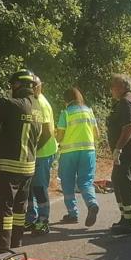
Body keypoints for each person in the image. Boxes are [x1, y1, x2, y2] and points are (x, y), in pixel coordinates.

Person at [0, 70, 49, 251]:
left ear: (17, 85)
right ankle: (16, 241)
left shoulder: (17, 105)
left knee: (3, 207)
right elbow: (46, 135)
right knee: (19, 208)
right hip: (28, 167)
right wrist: (30, 151)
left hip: (10, 167)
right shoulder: (37, 107)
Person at [106, 74, 131, 235]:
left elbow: (129, 126)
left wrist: (119, 148)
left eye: (113, 86)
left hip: (128, 149)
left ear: (121, 87)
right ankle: (125, 216)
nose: (111, 90)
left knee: (124, 179)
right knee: (117, 179)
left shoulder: (125, 102)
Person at [56, 87, 99, 226]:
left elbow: (60, 136)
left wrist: (55, 136)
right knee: (86, 182)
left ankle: (72, 213)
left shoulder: (66, 113)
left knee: (67, 183)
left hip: (69, 153)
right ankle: (92, 203)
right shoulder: (89, 111)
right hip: (88, 152)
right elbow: (97, 134)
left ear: (66, 100)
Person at [25, 75, 57, 235]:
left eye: (33, 86)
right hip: (35, 151)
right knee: (30, 187)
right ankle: (31, 218)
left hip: (43, 152)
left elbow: (47, 132)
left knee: (39, 187)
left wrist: (33, 150)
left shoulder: (41, 103)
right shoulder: (33, 101)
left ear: (38, 86)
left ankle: (44, 220)